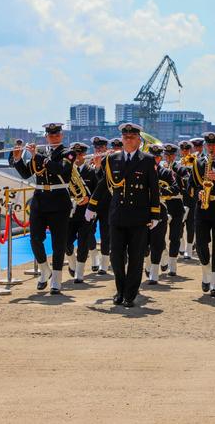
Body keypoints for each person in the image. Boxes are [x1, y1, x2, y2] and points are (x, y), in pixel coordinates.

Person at [85, 123, 159, 308]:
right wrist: (91, 206)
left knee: (135, 258)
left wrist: (155, 213)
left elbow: (154, 189)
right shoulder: (112, 159)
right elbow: (103, 184)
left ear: (138, 139)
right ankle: (120, 289)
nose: (127, 139)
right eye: (125, 136)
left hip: (139, 217)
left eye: (131, 136)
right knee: (116, 257)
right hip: (117, 215)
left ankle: (130, 294)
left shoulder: (147, 160)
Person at [12, 123, 72, 295]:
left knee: (58, 242)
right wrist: (18, 158)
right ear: (46, 137)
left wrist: (38, 156)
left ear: (61, 136)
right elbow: (26, 173)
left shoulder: (68, 152)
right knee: (35, 238)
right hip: (39, 200)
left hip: (59, 200)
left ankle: (57, 280)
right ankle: (44, 269)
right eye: (50, 135)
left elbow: (62, 170)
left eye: (56, 135)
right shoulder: (40, 153)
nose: (53, 138)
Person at [187, 132, 215, 297]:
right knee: (200, 244)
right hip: (202, 207)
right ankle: (205, 271)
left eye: (214, 145)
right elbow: (190, 186)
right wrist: (198, 192)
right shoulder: (198, 163)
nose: (211, 148)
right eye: (209, 145)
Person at [144, 144, 178, 284]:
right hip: (143, 210)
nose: (156, 159)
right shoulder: (141, 170)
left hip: (160, 209)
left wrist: (161, 192)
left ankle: (154, 273)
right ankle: (148, 263)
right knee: (143, 243)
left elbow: (176, 188)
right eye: (153, 156)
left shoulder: (166, 173)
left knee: (157, 242)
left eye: (158, 157)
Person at [65, 142, 96, 283]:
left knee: (84, 242)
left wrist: (91, 205)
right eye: (74, 154)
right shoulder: (66, 170)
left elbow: (96, 192)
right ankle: (71, 262)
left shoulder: (91, 171)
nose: (76, 157)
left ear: (84, 155)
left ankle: (79, 272)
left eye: (79, 154)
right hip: (69, 212)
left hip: (85, 213)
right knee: (66, 241)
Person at [161, 143, 185, 276]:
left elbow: (186, 184)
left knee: (175, 236)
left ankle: (173, 265)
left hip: (176, 202)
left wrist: (176, 176)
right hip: (163, 203)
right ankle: (164, 255)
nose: (168, 157)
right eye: (166, 155)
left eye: (171, 155)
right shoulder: (159, 168)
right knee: (160, 235)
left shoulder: (180, 168)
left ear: (175, 155)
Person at [88, 136, 111, 274]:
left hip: (107, 202)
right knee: (88, 232)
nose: (98, 150)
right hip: (92, 204)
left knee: (105, 233)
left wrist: (98, 166)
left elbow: (105, 181)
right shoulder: (90, 163)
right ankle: (94, 256)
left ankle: (104, 264)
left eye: (101, 148)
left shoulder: (110, 161)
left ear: (105, 148)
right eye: (96, 148)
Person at [178, 140, 196, 259]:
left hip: (191, 197)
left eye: (187, 149)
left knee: (191, 223)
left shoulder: (195, 162)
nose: (185, 152)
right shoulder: (177, 164)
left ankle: (189, 249)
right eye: (183, 149)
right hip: (180, 197)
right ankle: (182, 246)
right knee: (179, 224)